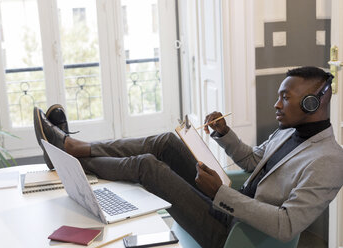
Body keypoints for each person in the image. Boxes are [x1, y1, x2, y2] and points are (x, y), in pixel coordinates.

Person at [34, 66, 343, 248]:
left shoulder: (328, 161)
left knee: (147, 167)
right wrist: (224, 134)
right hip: (230, 209)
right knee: (168, 141)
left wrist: (221, 194)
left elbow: (287, 225)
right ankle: (75, 149)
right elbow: (253, 163)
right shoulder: (290, 130)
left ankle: (69, 155)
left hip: (234, 235)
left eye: (285, 98)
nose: (276, 104)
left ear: (313, 103)